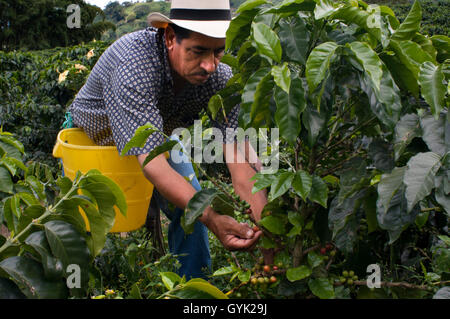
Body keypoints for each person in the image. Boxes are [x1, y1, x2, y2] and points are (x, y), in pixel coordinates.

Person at [68, 0, 269, 279]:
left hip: (155, 136)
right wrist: (212, 217)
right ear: (171, 37)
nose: (210, 65)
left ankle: (195, 290)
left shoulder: (220, 78)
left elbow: (241, 160)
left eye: (218, 52)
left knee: (192, 210)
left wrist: (268, 230)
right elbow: (154, 163)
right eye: (198, 51)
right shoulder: (134, 64)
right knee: (85, 221)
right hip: (94, 137)